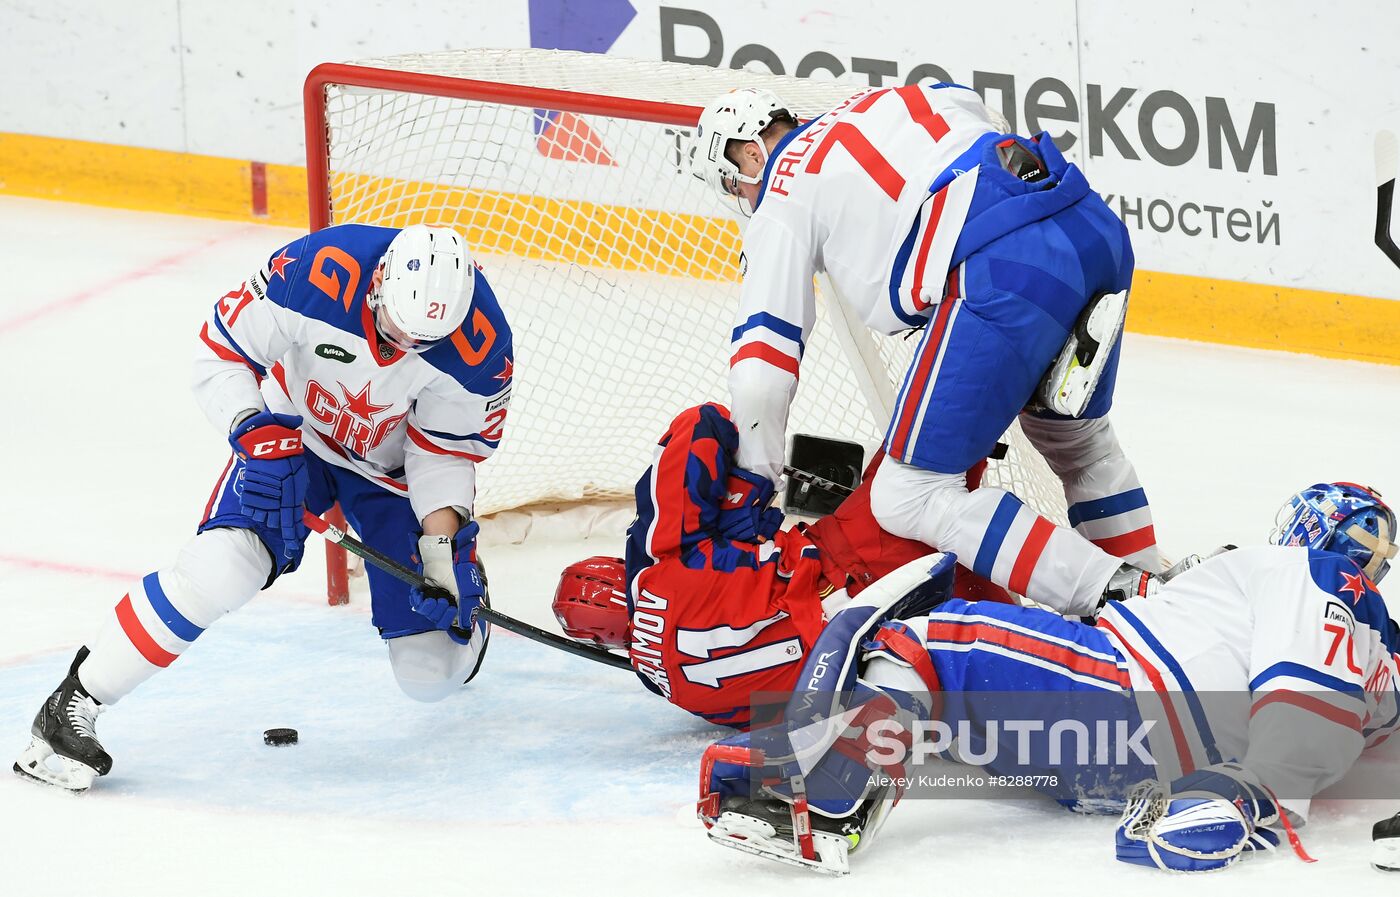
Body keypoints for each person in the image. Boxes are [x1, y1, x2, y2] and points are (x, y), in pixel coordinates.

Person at [13, 223, 513, 792]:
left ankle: (469, 632)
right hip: (290, 438)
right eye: (396, 328)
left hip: (391, 477)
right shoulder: (318, 269)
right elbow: (220, 352)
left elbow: (443, 452)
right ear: (378, 285)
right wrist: (255, 433)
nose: (401, 348)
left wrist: (443, 549)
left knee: (430, 678)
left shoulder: (482, 347)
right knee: (222, 567)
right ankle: (74, 704)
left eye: (419, 343)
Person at [697, 482, 1399, 875]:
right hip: (1146, 764)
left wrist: (1254, 792)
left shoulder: (1314, 575)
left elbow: (1311, 688)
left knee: (929, 638)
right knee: (942, 710)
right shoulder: (1383, 659)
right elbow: (1355, 728)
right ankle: (846, 755)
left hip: (1128, 697)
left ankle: (826, 795)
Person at [689, 84, 1158, 616]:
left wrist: (753, 483)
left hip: (1003, 268)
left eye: (733, 184)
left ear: (751, 152)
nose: (742, 198)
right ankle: (1161, 598)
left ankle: (1111, 590)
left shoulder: (781, 193)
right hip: (1090, 228)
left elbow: (761, 374)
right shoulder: (879, 101)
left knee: (907, 494)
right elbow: (974, 106)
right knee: (1080, 443)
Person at [552, 403, 1010, 730]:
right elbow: (701, 424)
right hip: (859, 565)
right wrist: (744, 492)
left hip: (891, 665)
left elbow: (771, 716)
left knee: (1015, 640)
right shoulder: (661, 576)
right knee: (935, 429)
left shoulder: (686, 698)